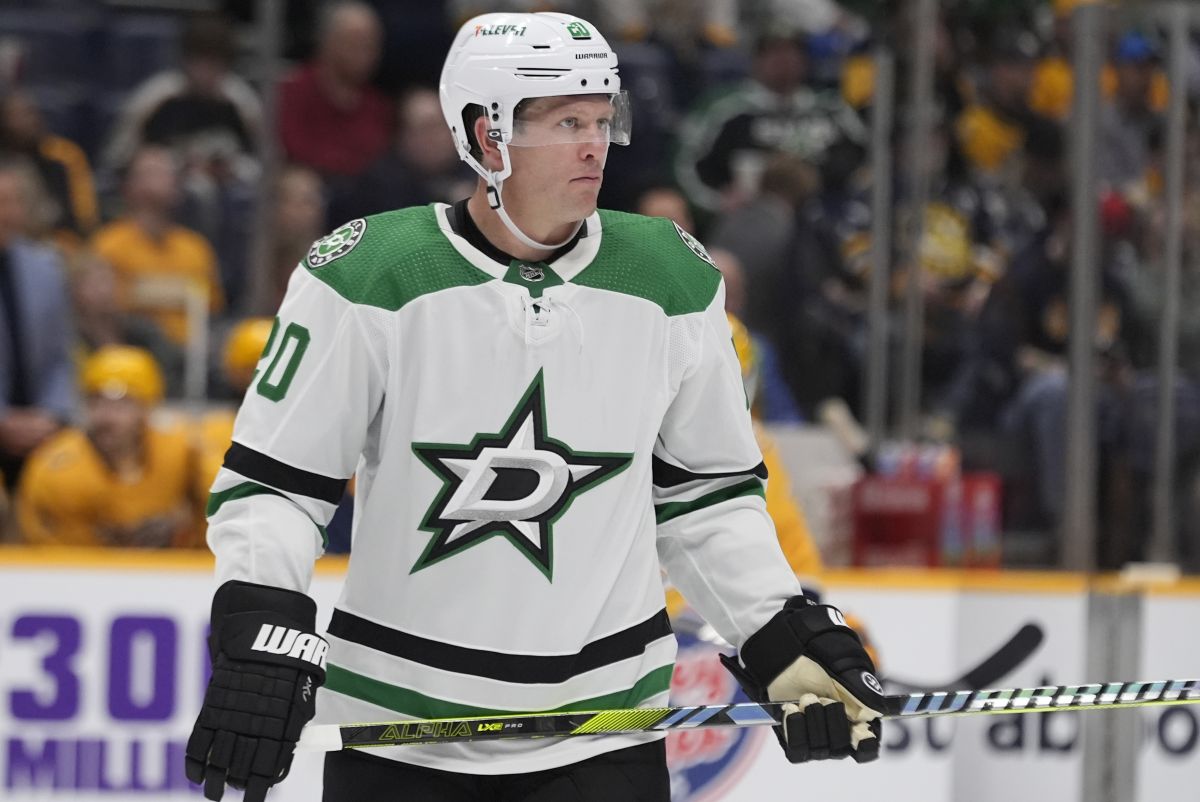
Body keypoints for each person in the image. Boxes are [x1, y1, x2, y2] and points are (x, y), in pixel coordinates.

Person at [185, 13, 882, 802]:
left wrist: (777, 632)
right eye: (565, 122)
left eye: (600, 119)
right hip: (403, 740)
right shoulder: (367, 276)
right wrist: (263, 632)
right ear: (486, 138)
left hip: (603, 733)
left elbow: (706, 498)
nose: (594, 145)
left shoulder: (671, 280)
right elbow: (275, 487)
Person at [16, 345, 198, 547]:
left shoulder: (181, 449)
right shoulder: (57, 469)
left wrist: (183, 525)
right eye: (96, 401)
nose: (106, 417)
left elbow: (217, 508)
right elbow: (54, 556)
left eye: (122, 404)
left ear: (147, 408)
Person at [90, 145, 225, 345]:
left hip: (194, 358)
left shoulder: (196, 247)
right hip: (136, 355)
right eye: (153, 172)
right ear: (129, 186)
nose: (164, 178)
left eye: (169, 173)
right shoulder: (108, 244)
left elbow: (212, 306)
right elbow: (106, 308)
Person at [0, 158, 75, 488]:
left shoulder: (45, 267)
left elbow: (59, 355)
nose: (6, 212)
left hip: (41, 429)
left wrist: (52, 414)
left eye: (12, 202)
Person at [277, 2, 392, 180]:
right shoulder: (292, 93)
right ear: (326, 41)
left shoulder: (377, 106)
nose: (364, 54)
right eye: (354, 43)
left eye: (370, 45)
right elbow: (293, 152)